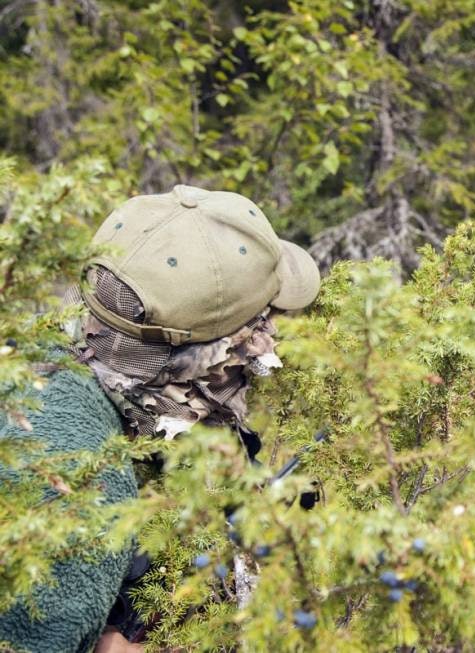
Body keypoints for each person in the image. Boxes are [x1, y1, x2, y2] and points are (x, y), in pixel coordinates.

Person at [0, 185, 321, 653]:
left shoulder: (50, 357)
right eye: (261, 319)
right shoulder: (73, 479)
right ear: (206, 354)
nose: (269, 333)